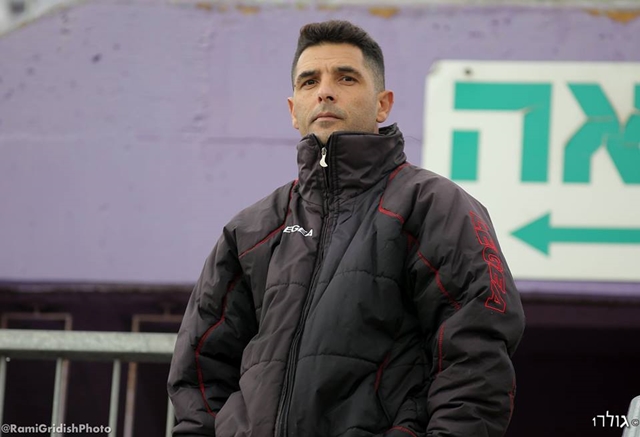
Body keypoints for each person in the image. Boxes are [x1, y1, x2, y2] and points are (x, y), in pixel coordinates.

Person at [168, 20, 525, 437]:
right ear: (293, 109)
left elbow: (476, 356)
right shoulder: (250, 230)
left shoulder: (433, 206)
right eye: (309, 81)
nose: (325, 91)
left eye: (346, 78)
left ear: (383, 105)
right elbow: (200, 370)